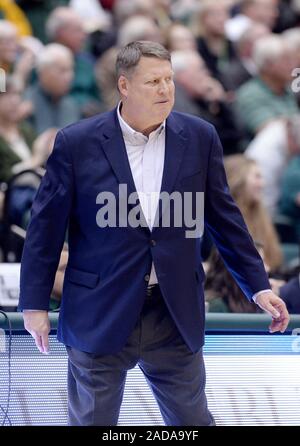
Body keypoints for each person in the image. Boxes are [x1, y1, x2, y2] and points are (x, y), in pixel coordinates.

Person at [19, 41, 289, 427]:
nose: (165, 90)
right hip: (100, 307)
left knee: (194, 423)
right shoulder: (76, 143)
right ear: (125, 86)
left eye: (169, 79)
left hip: (172, 309)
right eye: (153, 82)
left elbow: (224, 217)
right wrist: (33, 305)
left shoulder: (199, 137)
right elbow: (44, 231)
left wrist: (258, 285)